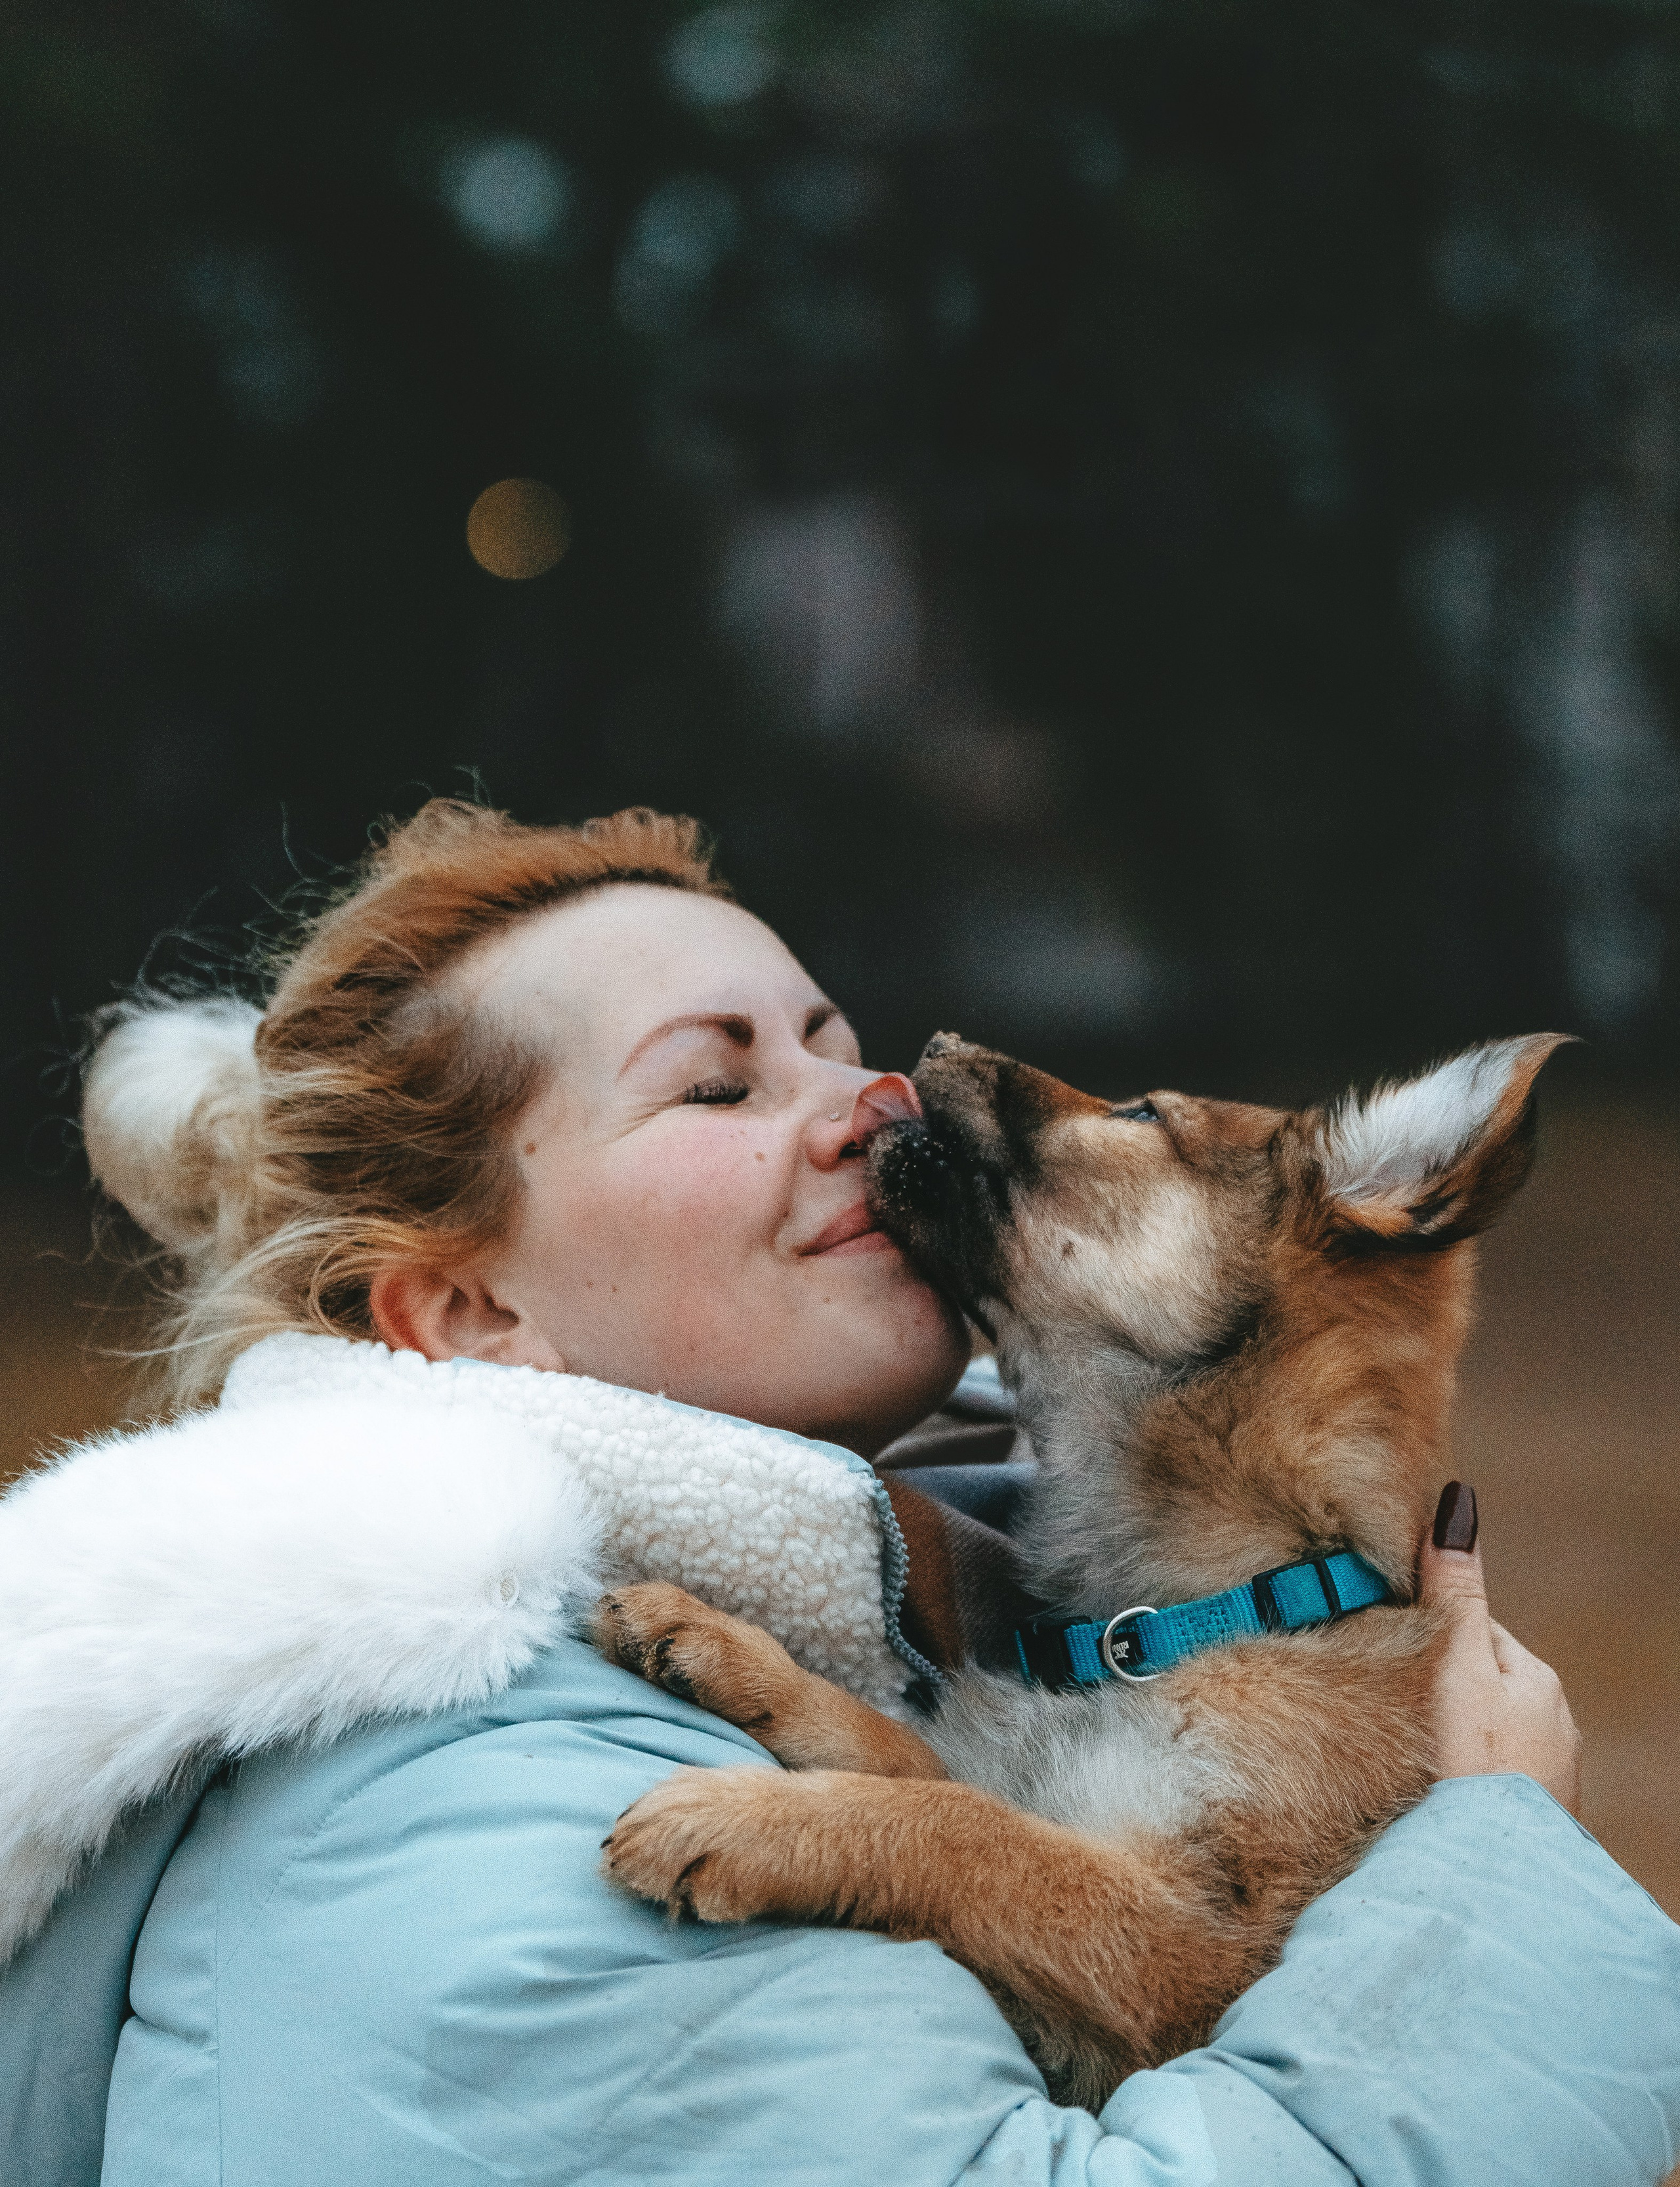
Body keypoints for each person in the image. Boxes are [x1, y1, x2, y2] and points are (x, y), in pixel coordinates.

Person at [1, 799, 1674, 2187]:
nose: (871, 1102)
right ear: (466, 1312)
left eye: (832, 1044)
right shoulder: (466, 1818)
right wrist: (1494, 1887)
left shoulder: (909, 1596)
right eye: (715, 1085)